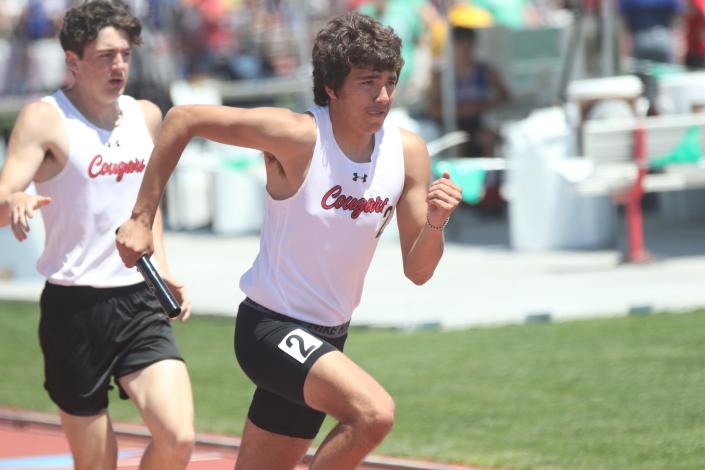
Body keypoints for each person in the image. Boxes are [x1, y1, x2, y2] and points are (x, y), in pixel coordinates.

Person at [116, 11, 462, 470]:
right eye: (367, 82)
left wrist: (436, 222)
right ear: (333, 88)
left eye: (390, 81)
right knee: (373, 415)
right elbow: (183, 119)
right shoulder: (298, 136)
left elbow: (418, 272)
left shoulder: (408, 152)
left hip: (328, 339)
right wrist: (142, 218)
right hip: (270, 330)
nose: (382, 96)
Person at [0, 2, 195, 469]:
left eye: (125, 54)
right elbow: (4, 197)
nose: (120, 66)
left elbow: (148, 206)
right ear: (73, 61)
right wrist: (16, 202)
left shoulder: (146, 116)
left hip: (138, 299)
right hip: (74, 308)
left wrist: (162, 268)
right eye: (107, 55)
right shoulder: (44, 118)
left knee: (179, 436)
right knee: (97, 463)